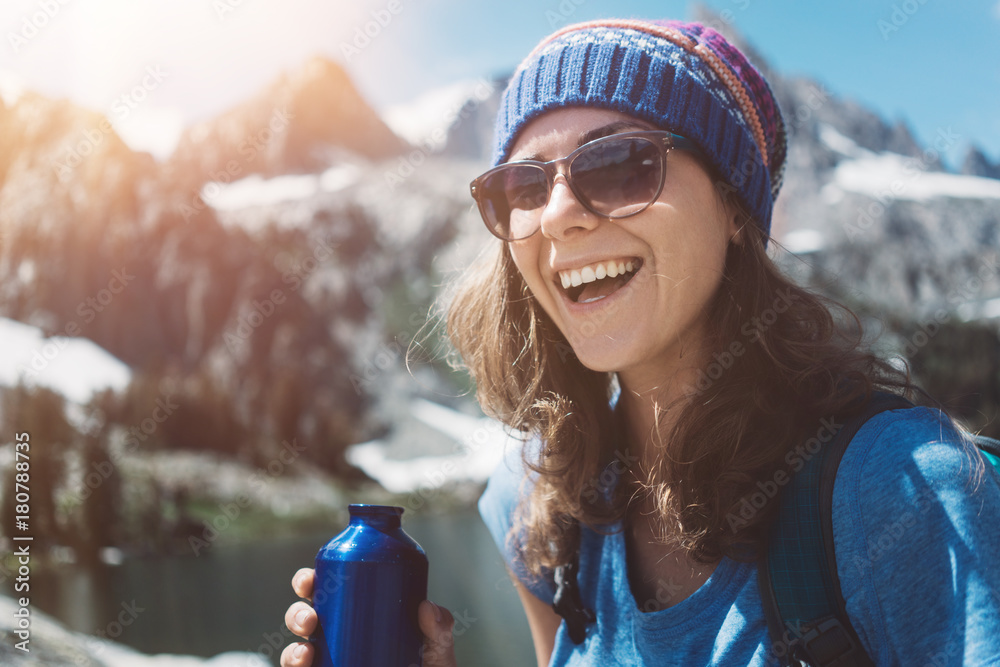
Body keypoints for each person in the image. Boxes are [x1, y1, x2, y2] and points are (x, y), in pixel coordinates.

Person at [280, 18, 1000, 667]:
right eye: (524, 187)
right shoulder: (535, 506)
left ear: (734, 209)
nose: (559, 215)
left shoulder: (900, 491)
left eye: (621, 164)